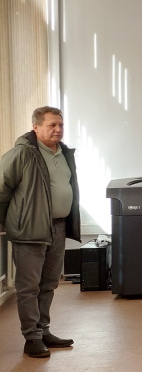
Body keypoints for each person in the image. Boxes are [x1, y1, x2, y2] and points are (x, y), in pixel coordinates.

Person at [0, 106, 80, 358]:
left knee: (49, 283)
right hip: (30, 229)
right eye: (51, 125)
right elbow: (1, 188)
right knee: (28, 287)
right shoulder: (22, 153)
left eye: (61, 125)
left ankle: (43, 330)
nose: (58, 129)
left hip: (58, 226)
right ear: (36, 127)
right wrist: (10, 222)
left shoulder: (64, 153)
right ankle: (31, 338)